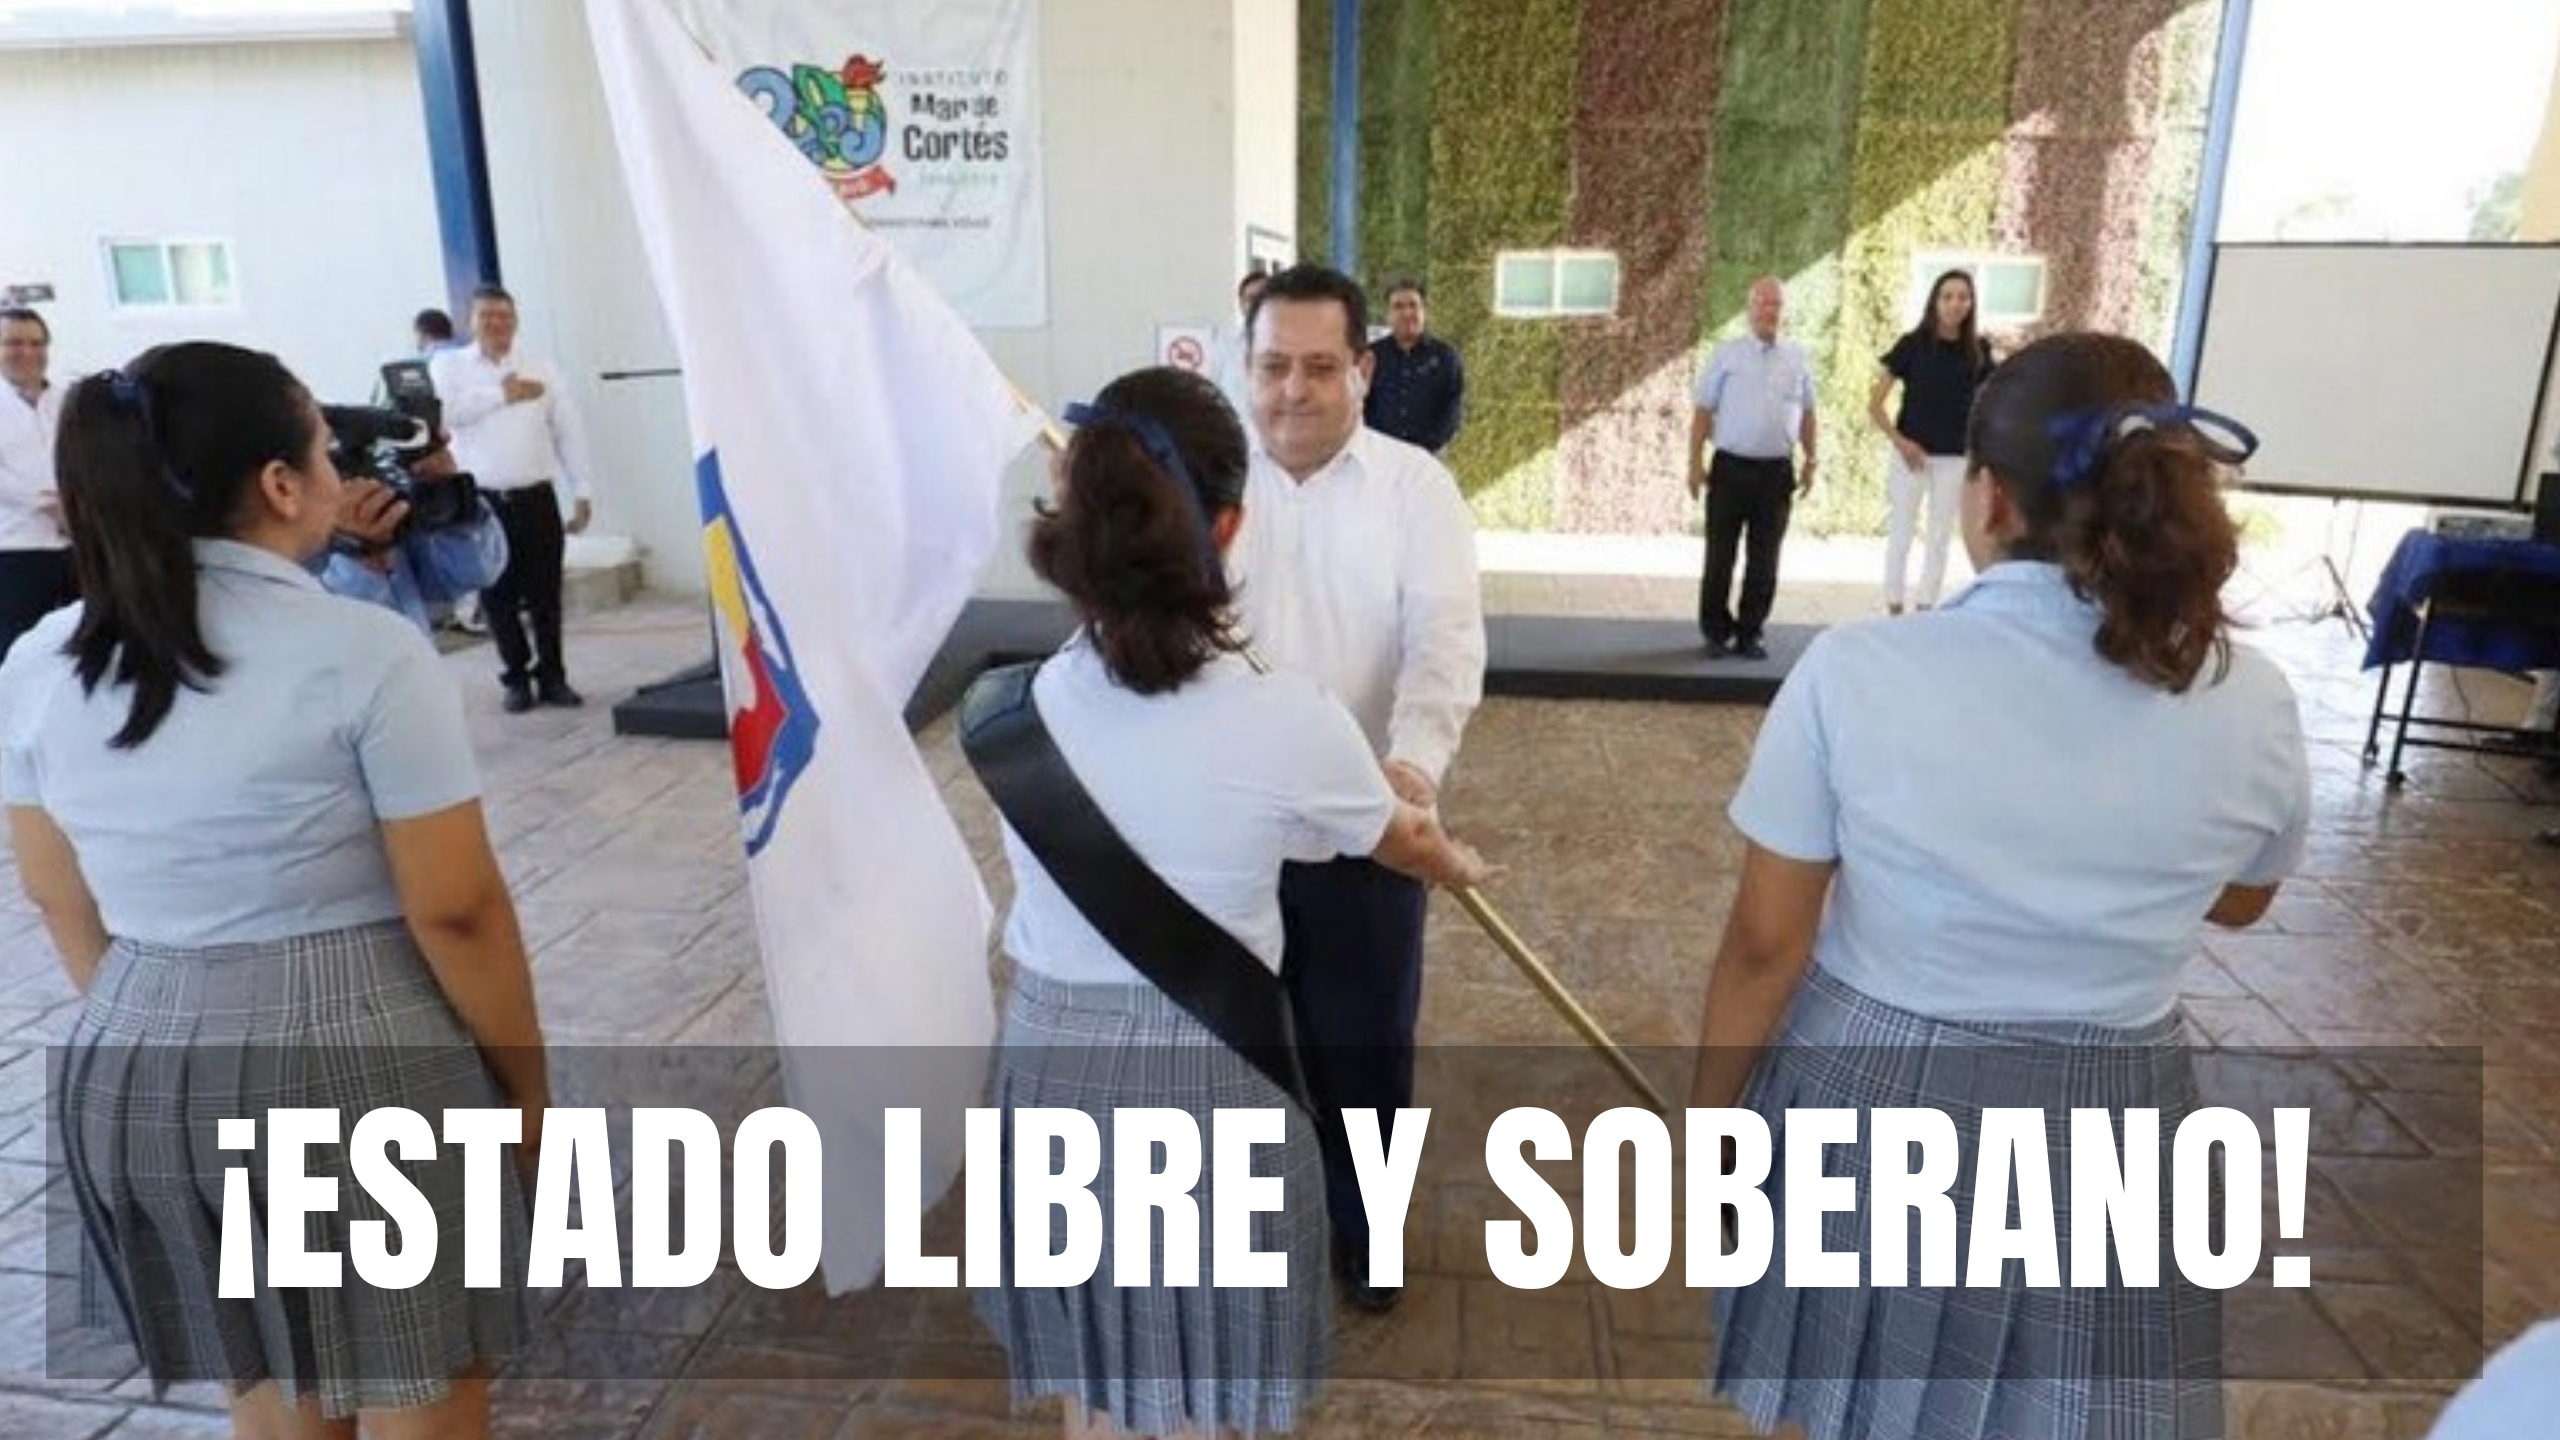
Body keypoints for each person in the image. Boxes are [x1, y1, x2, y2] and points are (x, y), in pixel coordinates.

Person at [1690, 332, 2310, 1440]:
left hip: (1878, 1094)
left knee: (1852, 1398)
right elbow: (2240, 898)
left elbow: (1764, 947)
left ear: (1989, 499)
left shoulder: (1859, 672)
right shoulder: (2248, 695)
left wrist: (1707, 1138)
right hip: (2118, 1109)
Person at [0, 341, 547, 1438]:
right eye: (325, 450)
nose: (344, 472)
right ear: (282, 485)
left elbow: (58, 894)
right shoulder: (364, 651)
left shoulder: (43, 660)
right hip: (364, 1051)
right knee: (423, 1383)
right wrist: (527, 1098)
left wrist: (175, 1014)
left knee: (270, 1386)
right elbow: (457, 910)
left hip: (139, 1056)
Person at [974, 365, 1489, 1438]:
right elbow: (1401, 842)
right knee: (1210, 1381)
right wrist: (1456, 862)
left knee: (1099, 1370)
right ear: (1228, 527)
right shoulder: (1291, 721)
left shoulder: (1014, 709)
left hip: (1050, 1063)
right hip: (1200, 1080)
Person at [1232, 262, 1487, 1311]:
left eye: (1320, 367)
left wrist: (1411, 767)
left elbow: (1444, 639)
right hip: (1226, 840)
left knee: (1363, 1056)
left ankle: (1366, 1232)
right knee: (1235, 1051)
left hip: (1370, 831)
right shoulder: (1206, 484)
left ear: (1363, 370)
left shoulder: (1414, 489)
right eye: (1272, 366)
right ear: (1246, 365)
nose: (1293, 391)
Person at [430, 284, 595, 713]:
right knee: (498, 595)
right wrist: (502, 395)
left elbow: (568, 428)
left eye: (504, 316)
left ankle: (553, 676)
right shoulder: (449, 366)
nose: (497, 324)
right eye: (487, 316)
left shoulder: (540, 364)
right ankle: (516, 677)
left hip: (537, 496)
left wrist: (582, 489)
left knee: (546, 594)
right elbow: (444, 414)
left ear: (516, 320)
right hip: (485, 501)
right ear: (471, 321)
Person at [1688, 276, 1819, 660]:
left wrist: (1811, 460)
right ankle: (1716, 631)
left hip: (1776, 473)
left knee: (1765, 559)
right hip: (1730, 470)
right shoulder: (1726, 354)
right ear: (1749, 309)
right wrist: (1694, 463)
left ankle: (1750, 632)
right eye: (1762, 302)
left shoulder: (1798, 357)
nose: (1769, 310)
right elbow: (1702, 411)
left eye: (1775, 303)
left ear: (1783, 310)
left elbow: (1808, 413)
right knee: (1720, 555)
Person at [1869, 269, 1994, 614]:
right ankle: (1894, 607)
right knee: (1901, 532)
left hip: (1955, 459)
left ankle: (1925, 608)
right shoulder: (1911, 345)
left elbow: (1992, 401)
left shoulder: (1980, 351)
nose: (1955, 303)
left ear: (1971, 304)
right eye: (1947, 296)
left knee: (1939, 537)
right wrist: (1901, 442)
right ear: (1935, 301)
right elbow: (1875, 406)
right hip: (1911, 456)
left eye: (1963, 297)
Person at [319, 434, 511, 636]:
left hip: (415, 650)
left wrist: (445, 495)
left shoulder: (359, 486)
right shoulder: (306, 533)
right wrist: (361, 558)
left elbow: (469, 575)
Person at [0, 307, 76, 658]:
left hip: (77, 546)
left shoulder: (68, 402)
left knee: (80, 644)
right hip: (16, 550)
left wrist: (77, 507)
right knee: (18, 650)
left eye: (36, 343)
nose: (27, 352)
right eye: (14, 343)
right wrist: (50, 506)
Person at [1363, 278, 1466, 455]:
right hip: (1380, 455)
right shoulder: (1371, 356)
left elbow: (1452, 410)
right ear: (1388, 314)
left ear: (1424, 311)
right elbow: (1359, 403)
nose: (1407, 313)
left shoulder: (1446, 357)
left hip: (1428, 456)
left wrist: (1423, 450)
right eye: (1398, 306)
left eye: (1413, 305)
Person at [1210, 268, 1268, 426]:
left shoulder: (1291, 343)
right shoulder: (1224, 343)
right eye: (1251, 298)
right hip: (1234, 433)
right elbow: (1212, 390)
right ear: (1241, 304)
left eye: (1263, 298)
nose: (1257, 304)